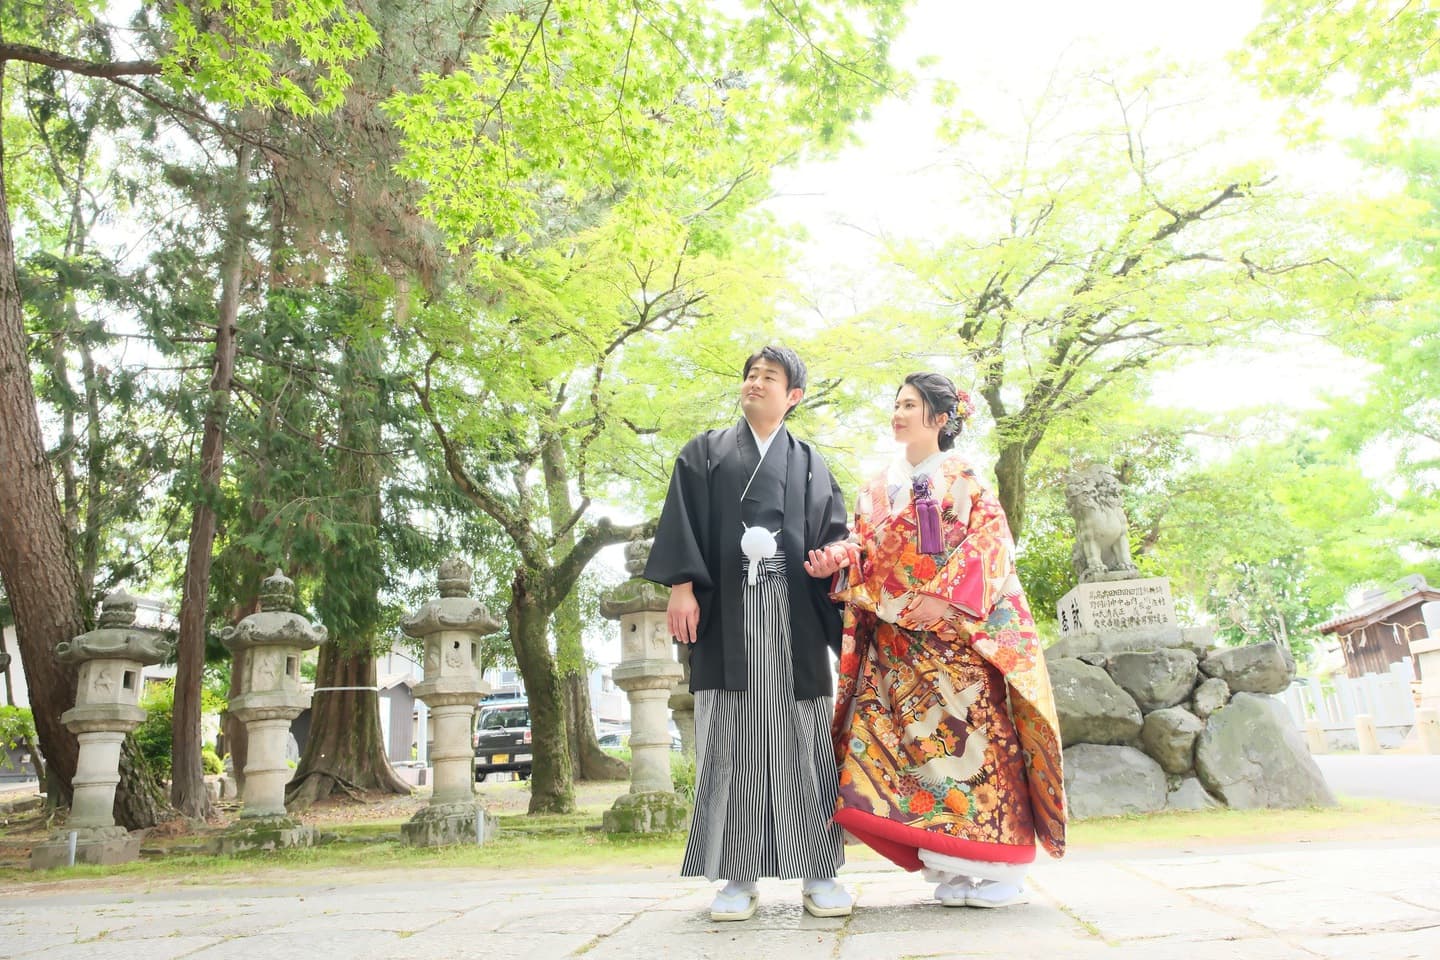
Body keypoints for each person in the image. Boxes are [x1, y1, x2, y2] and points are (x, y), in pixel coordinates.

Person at [803, 372, 1067, 908]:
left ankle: (1004, 870)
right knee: (917, 753)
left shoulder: (962, 477)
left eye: (910, 405)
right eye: (896, 404)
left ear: (941, 419)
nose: (898, 414)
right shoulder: (876, 487)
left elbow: (992, 543)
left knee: (979, 746)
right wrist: (840, 559)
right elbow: (864, 547)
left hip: (955, 639)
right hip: (897, 644)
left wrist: (946, 599)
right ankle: (951, 867)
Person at [644, 345, 854, 922]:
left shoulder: (810, 463)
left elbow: (836, 534)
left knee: (807, 742)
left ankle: (819, 872)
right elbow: (683, 520)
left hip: (795, 619)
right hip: (726, 618)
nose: (755, 383)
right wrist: (681, 586)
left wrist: (831, 559)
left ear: (794, 396)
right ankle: (737, 878)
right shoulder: (705, 452)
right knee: (729, 741)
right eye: (751, 375)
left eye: (770, 377)